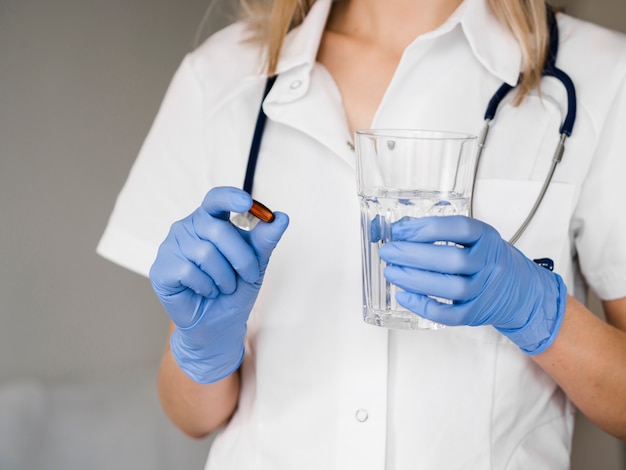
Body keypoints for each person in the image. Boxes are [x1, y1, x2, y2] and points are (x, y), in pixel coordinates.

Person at [97, 0, 626, 468]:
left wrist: (536, 308)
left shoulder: (603, 76)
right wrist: (204, 345)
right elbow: (191, 416)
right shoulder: (221, 76)